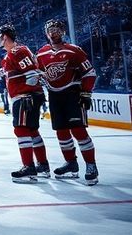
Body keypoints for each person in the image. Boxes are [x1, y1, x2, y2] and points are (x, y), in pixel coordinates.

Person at [35, 19, 99, 185]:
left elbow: (89, 73)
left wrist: (86, 93)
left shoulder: (74, 50)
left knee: (78, 131)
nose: (54, 33)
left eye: (57, 29)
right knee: (61, 133)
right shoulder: (41, 53)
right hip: (54, 97)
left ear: (63, 32)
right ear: (46, 33)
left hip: (73, 94)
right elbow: (38, 75)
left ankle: (91, 165)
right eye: (51, 30)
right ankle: (71, 163)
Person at [0, 24, 50, 182]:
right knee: (32, 131)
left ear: (4, 37)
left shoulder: (17, 51)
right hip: (28, 95)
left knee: (21, 130)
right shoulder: (11, 55)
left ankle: (29, 167)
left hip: (25, 96)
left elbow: (32, 74)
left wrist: (28, 93)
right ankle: (43, 165)